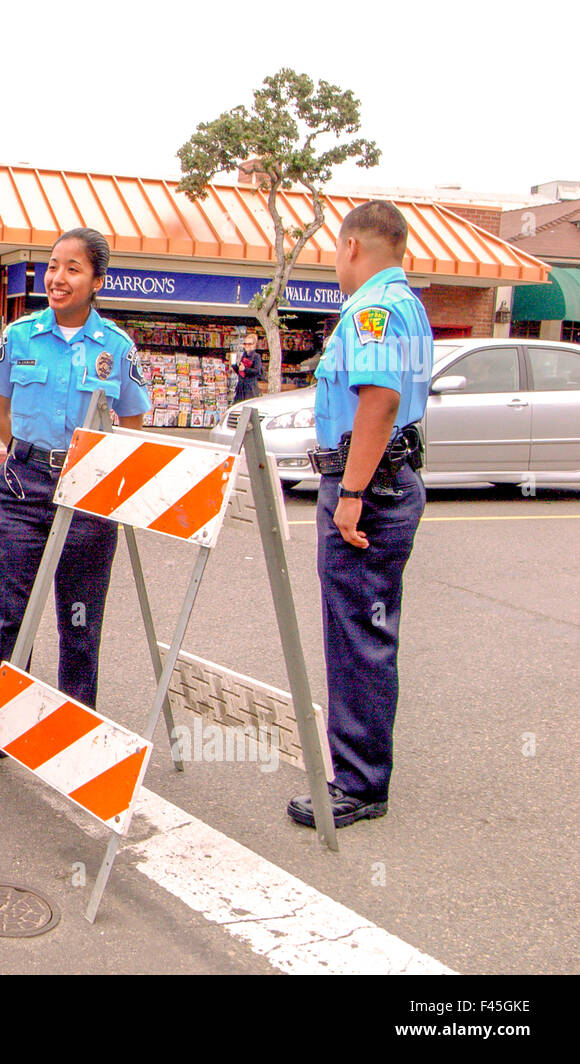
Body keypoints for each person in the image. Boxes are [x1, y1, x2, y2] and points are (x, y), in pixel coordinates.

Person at [0, 228, 150, 774]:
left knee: (80, 621)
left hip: (88, 496)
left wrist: (94, 474)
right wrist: (28, 458)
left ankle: (78, 738)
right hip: (22, 490)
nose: (58, 278)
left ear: (97, 281)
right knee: (8, 620)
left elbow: (132, 423)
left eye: (73, 269)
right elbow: (0, 412)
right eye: (52, 266)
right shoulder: (19, 337)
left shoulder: (116, 347)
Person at [286, 200, 431, 829]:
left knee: (358, 638)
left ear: (350, 247)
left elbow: (379, 400)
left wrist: (350, 492)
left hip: (369, 487)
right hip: (385, 479)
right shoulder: (407, 305)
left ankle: (361, 782)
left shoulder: (371, 310)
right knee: (362, 632)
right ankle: (359, 770)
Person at [233, 331, 263, 403]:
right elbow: (241, 372)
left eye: (249, 344)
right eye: (245, 344)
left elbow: (257, 371)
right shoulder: (244, 355)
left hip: (250, 388)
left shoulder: (256, 356)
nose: (247, 346)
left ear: (254, 344)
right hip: (241, 387)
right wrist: (234, 366)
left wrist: (245, 369)